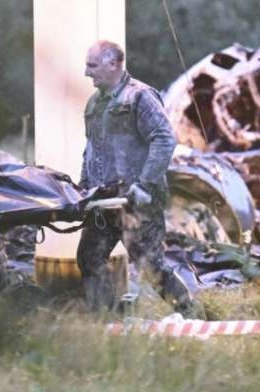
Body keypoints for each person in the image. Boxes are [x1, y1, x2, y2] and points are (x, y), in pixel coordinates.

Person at [77, 40, 198, 314]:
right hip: (104, 202)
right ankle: (106, 319)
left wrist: (145, 184)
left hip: (136, 202)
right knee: (89, 257)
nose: (86, 72)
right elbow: (91, 149)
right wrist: (83, 189)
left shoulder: (139, 97)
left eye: (92, 66)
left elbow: (165, 139)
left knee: (150, 266)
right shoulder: (94, 104)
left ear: (113, 64)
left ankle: (190, 314)